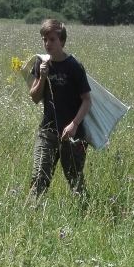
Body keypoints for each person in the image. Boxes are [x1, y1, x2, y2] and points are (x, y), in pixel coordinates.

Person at [29, 18, 91, 202]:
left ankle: (85, 212)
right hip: (47, 131)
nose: (47, 44)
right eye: (44, 39)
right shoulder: (40, 64)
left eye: (52, 39)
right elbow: (34, 97)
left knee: (75, 180)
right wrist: (42, 76)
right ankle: (32, 217)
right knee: (39, 177)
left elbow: (87, 101)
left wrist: (74, 124)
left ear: (62, 41)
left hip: (73, 134)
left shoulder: (74, 66)